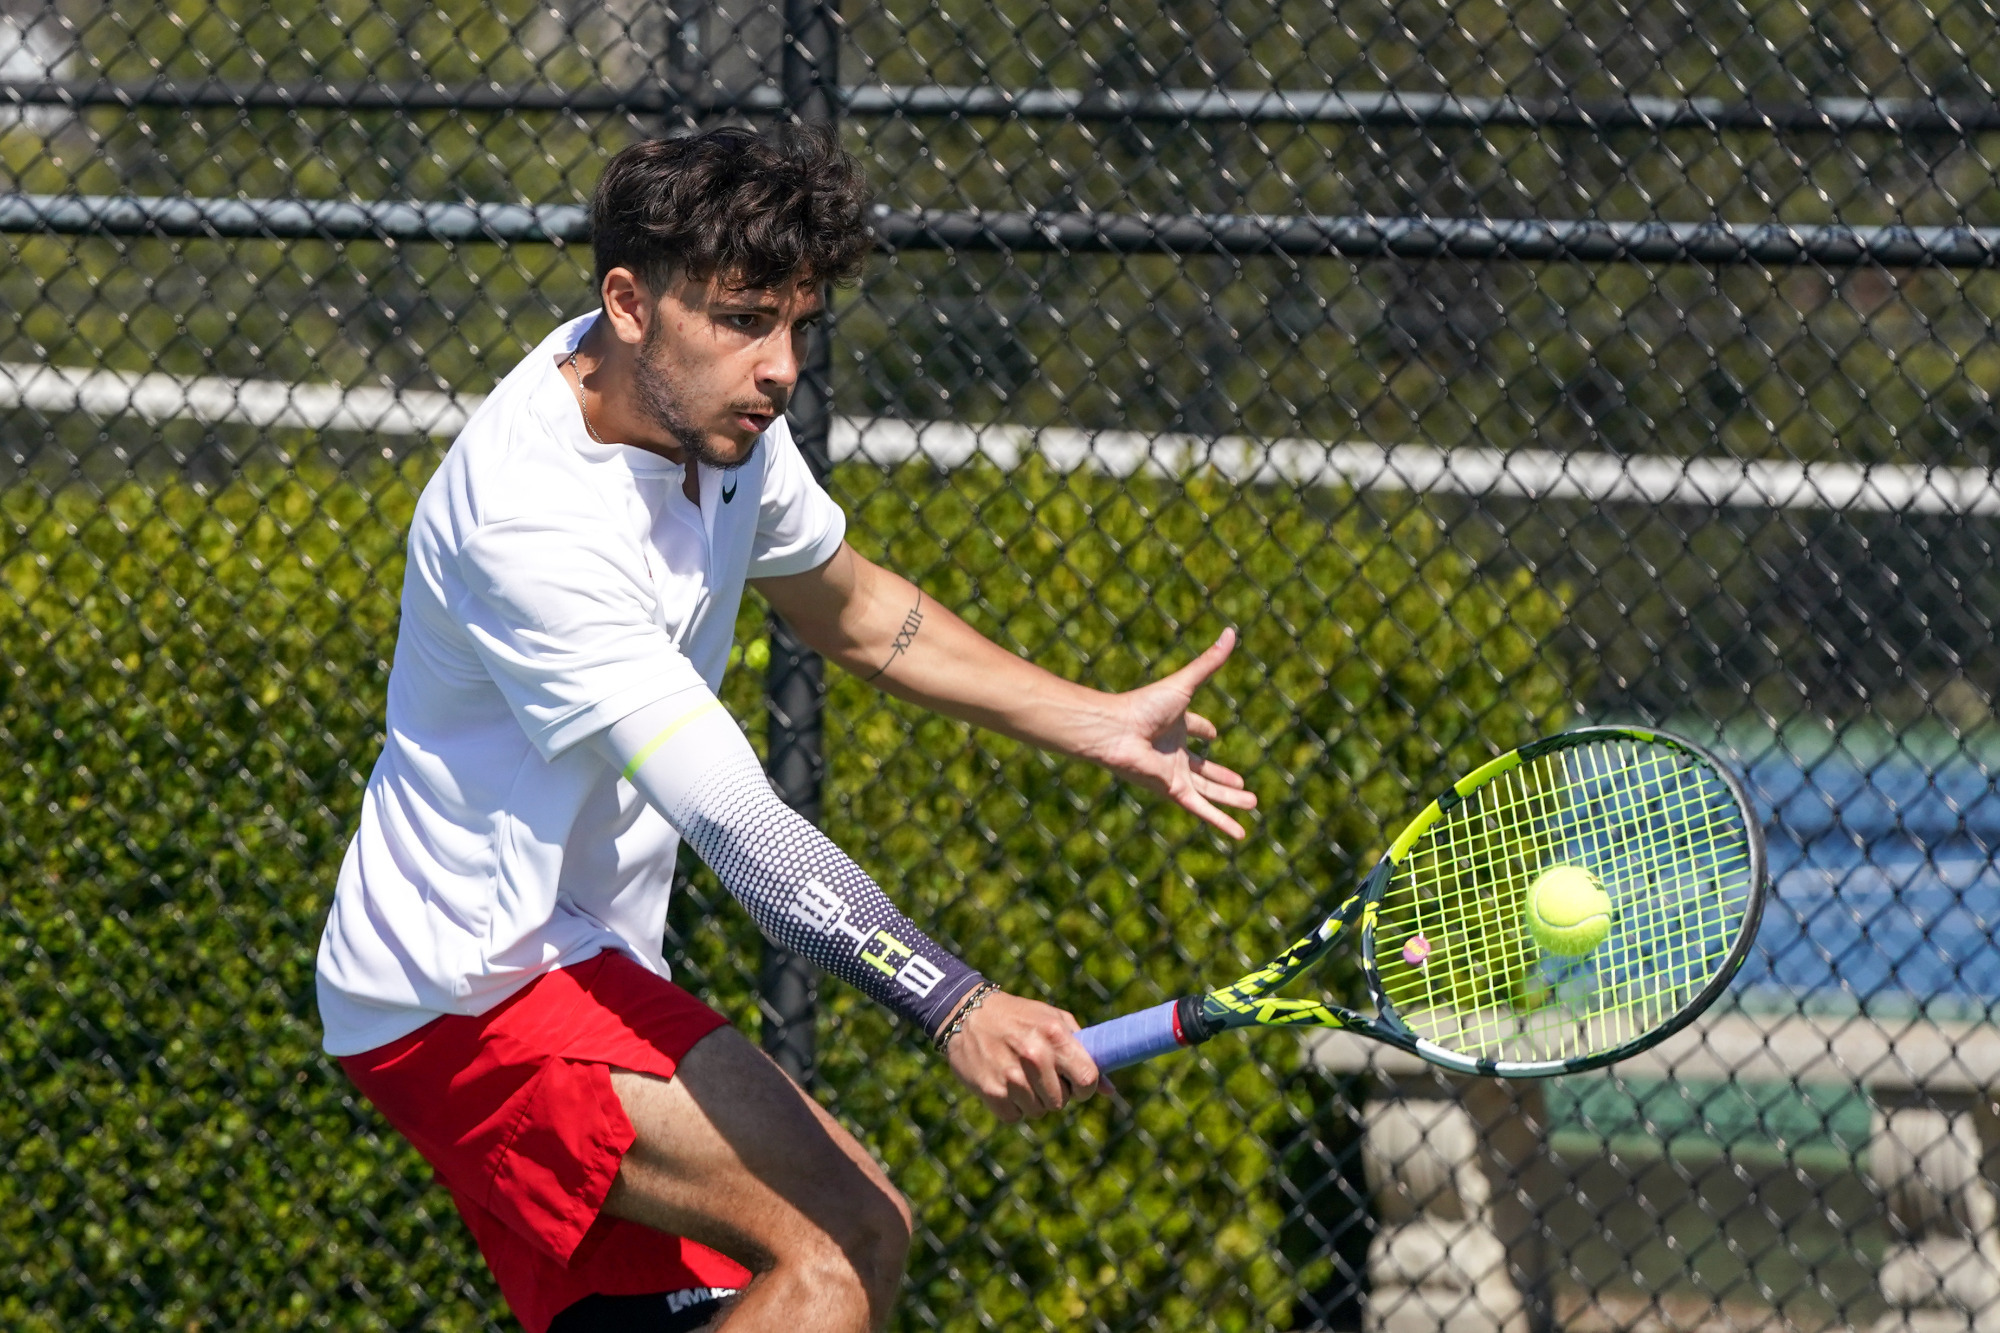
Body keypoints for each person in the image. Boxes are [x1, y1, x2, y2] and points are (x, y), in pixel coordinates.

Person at [315, 123, 1258, 1333]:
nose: (780, 367)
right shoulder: (532, 523)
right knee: (842, 1239)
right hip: (464, 993)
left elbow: (856, 608)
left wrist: (1096, 720)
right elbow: (740, 826)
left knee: (745, 1289)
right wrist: (957, 1003)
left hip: (570, 961)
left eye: (798, 324)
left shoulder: (712, 430)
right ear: (628, 302)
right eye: (743, 319)